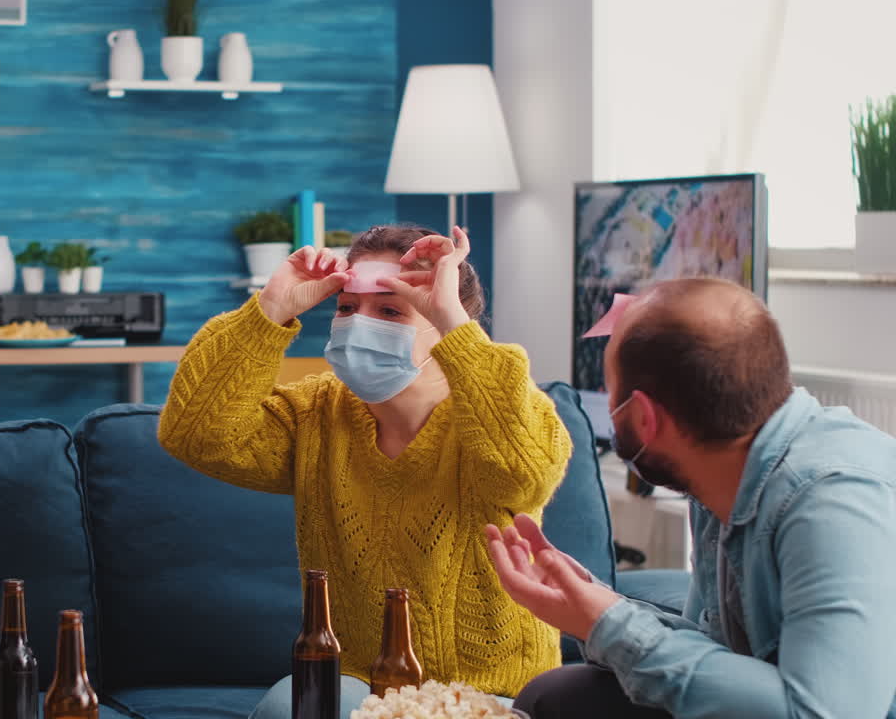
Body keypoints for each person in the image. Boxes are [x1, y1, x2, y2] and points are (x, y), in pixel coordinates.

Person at [159, 225, 574, 717]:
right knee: (283, 709)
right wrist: (268, 310)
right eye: (347, 308)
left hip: (494, 690)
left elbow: (521, 472)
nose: (359, 325)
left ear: (442, 320)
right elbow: (196, 433)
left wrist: (455, 326)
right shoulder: (316, 412)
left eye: (390, 309)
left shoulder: (500, 412)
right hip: (358, 682)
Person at [487, 277, 896, 718]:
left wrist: (609, 625)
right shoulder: (718, 475)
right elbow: (713, 653)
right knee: (558, 696)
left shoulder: (830, 500)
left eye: (609, 392)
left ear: (643, 417)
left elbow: (828, 713)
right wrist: (592, 606)